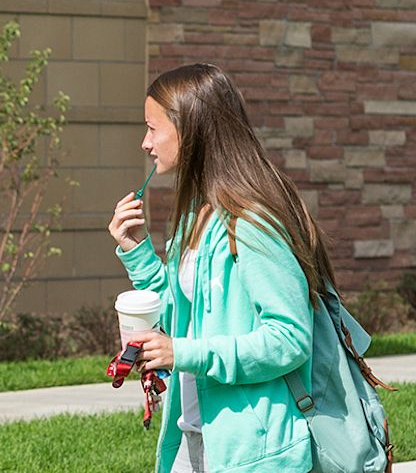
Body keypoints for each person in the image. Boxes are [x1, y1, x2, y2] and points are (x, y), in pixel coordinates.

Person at [106, 63, 340, 473]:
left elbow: (289, 338)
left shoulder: (251, 222)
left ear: (190, 129)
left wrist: (184, 352)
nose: (145, 143)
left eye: (152, 128)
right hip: (194, 434)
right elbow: (181, 313)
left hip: (253, 452)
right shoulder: (197, 215)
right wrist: (137, 252)